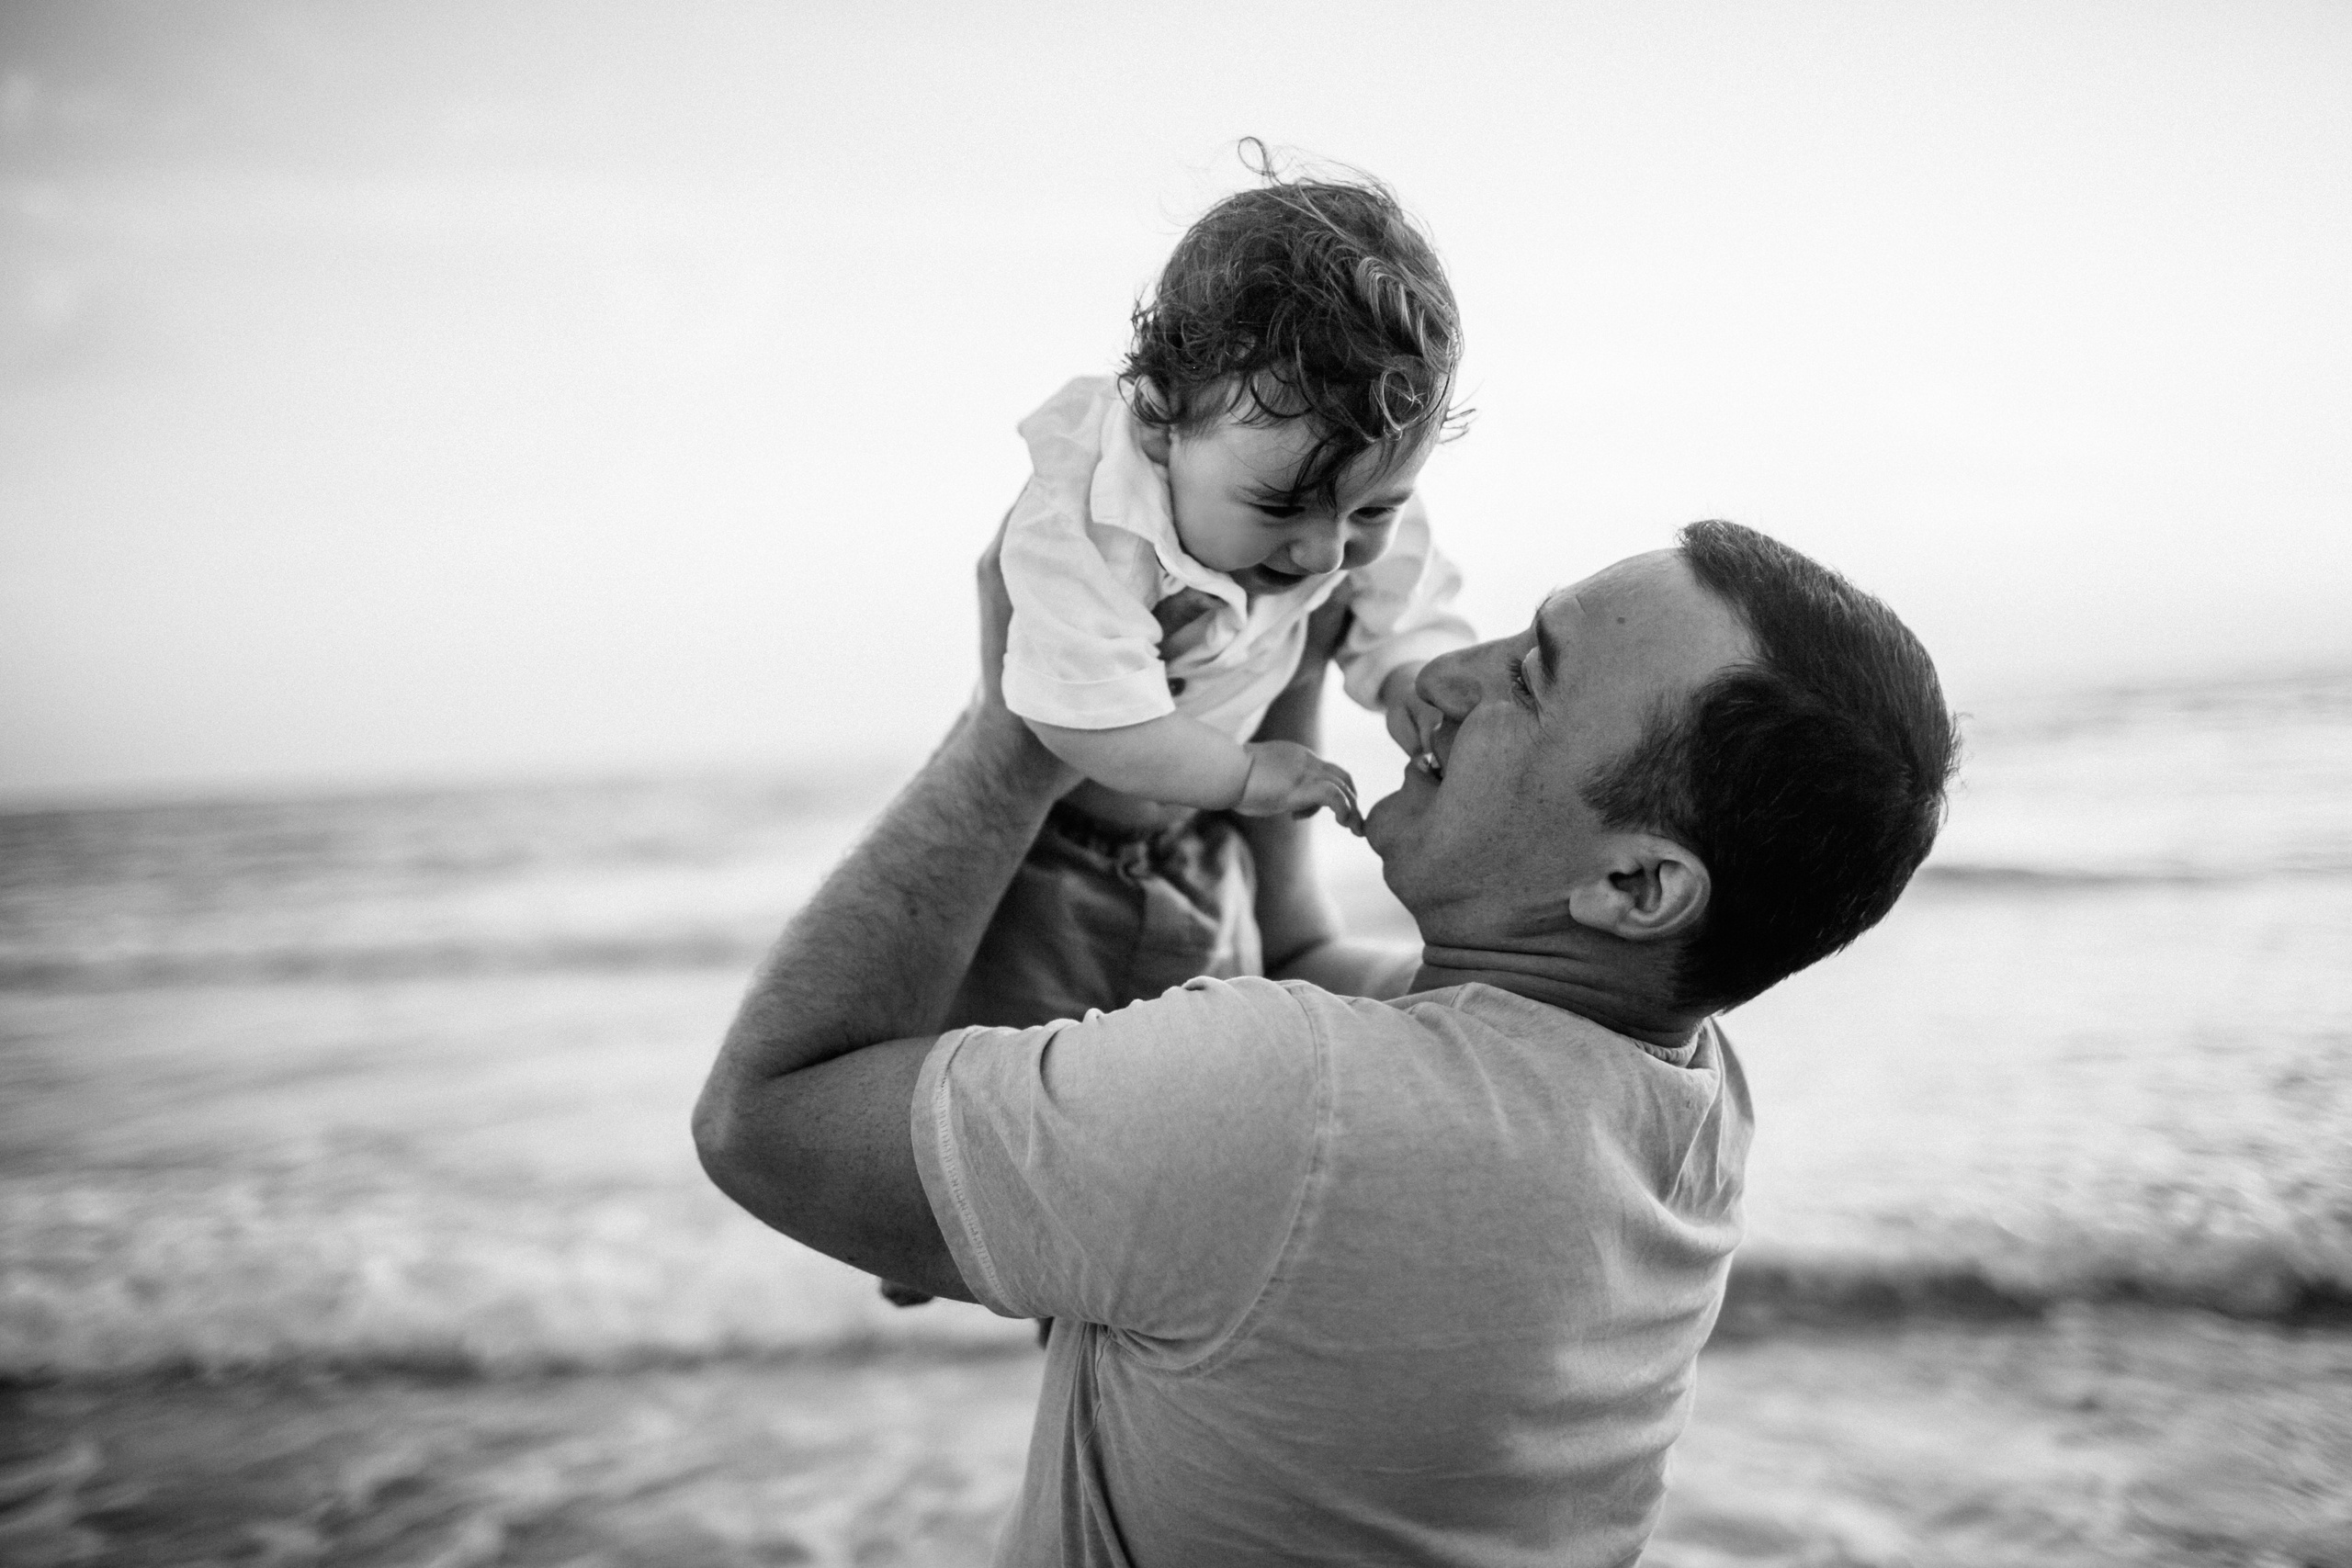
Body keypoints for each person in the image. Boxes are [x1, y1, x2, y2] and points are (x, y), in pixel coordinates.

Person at [694, 519, 1959, 1565]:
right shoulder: (1681, 1084)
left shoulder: (1298, 1113)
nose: (1446, 676)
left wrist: (1023, 734)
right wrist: (1288, 639)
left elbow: (764, 1117)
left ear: (1634, 887)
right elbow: (1303, 962)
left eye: (1529, 677)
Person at [961, 157, 1475, 1035]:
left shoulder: (1345, 489)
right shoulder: (1090, 512)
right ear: (1161, 422)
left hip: (1204, 847)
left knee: (1203, 1073)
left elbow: (1403, 614)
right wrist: (1244, 774)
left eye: (1374, 508)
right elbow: (1078, 717)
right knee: (1036, 1083)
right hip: (1057, 865)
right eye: (1280, 506)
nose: (1325, 550)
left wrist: (1412, 689)